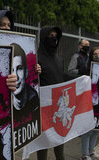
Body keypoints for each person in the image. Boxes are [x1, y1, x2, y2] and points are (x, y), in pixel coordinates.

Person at [36, 26, 65, 160]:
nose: (53, 38)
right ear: (43, 38)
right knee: (44, 142)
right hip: (44, 107)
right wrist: (34, 72)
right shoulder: (36, 58)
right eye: (50, 35)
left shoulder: (59, 59)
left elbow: (62, 77)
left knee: (59, 137)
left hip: (58, 106)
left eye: (55, 36)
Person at [80, 47, 99, 160]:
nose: (98, 56)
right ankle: (85, 154)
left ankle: (91, 151)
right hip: (88, 102)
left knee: (96, 128)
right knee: (87, 129)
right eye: (95, 54)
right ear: (91, 56)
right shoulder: (86, 68)